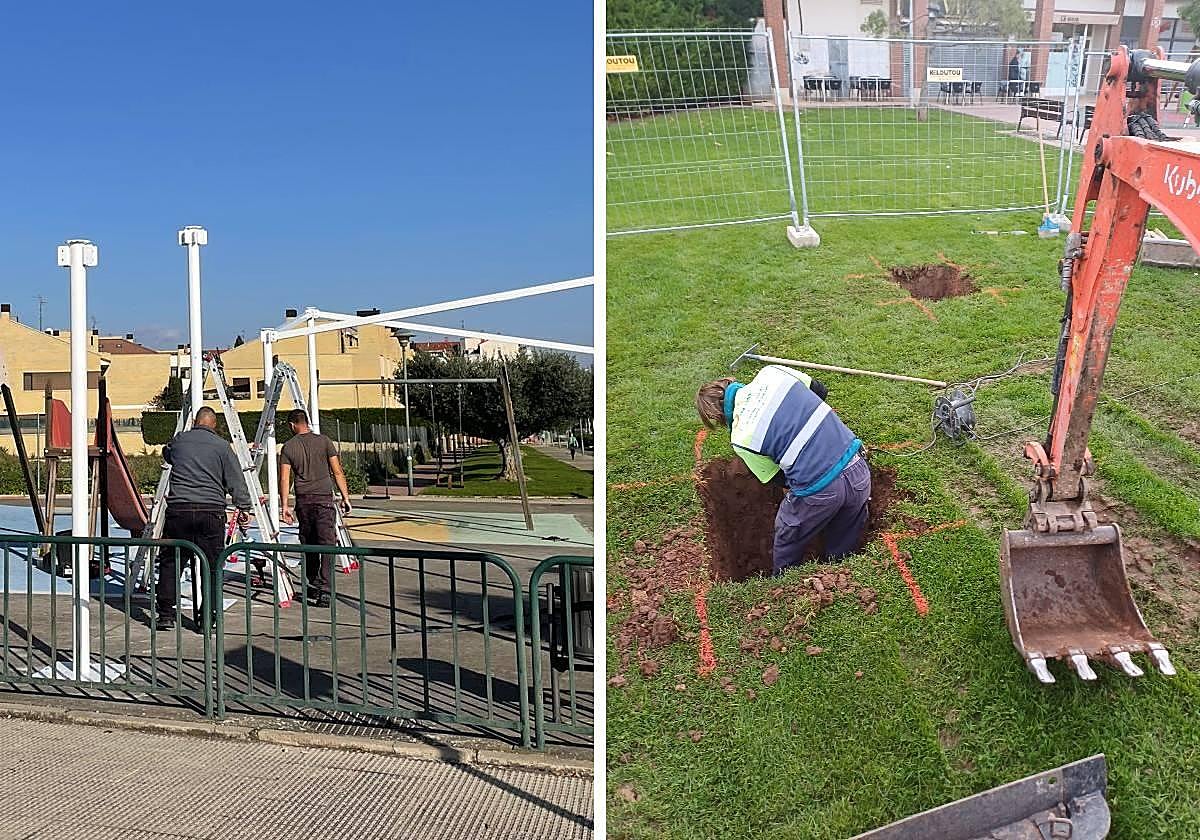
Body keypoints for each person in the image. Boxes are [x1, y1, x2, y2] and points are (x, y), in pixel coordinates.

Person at [695, 365, 870, 575]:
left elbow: (779, 478)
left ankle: (785, 582)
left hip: (820, 491)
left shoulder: (741, 438)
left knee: (788, 534)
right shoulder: (772, 373)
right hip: (858, 469)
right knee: (845, 531)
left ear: (717, 416)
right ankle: (839, 572)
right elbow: (819, 390)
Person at [156, 406, 251, 631]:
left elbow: (167, 454)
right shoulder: (222, 446)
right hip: (211, 510)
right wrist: (244, 507)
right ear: (214, 424)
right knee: (212, 566)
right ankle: (208, 616)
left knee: (171, 562)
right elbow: (235, 480)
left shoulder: (179, 441)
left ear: (194, 422)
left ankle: (166, 614)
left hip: (179, 510)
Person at [278, 409, 353, 607]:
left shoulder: (288, 447)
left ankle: (313, 582)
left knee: (308, 543)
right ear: (307, 422)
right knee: (327, 544)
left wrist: (285, 506)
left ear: (292, 425)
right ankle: (326, 589)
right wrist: (345, 497)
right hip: (324, 499)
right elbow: (337, 471)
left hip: (304, 501)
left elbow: (285, 478)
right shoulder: (325, 442)